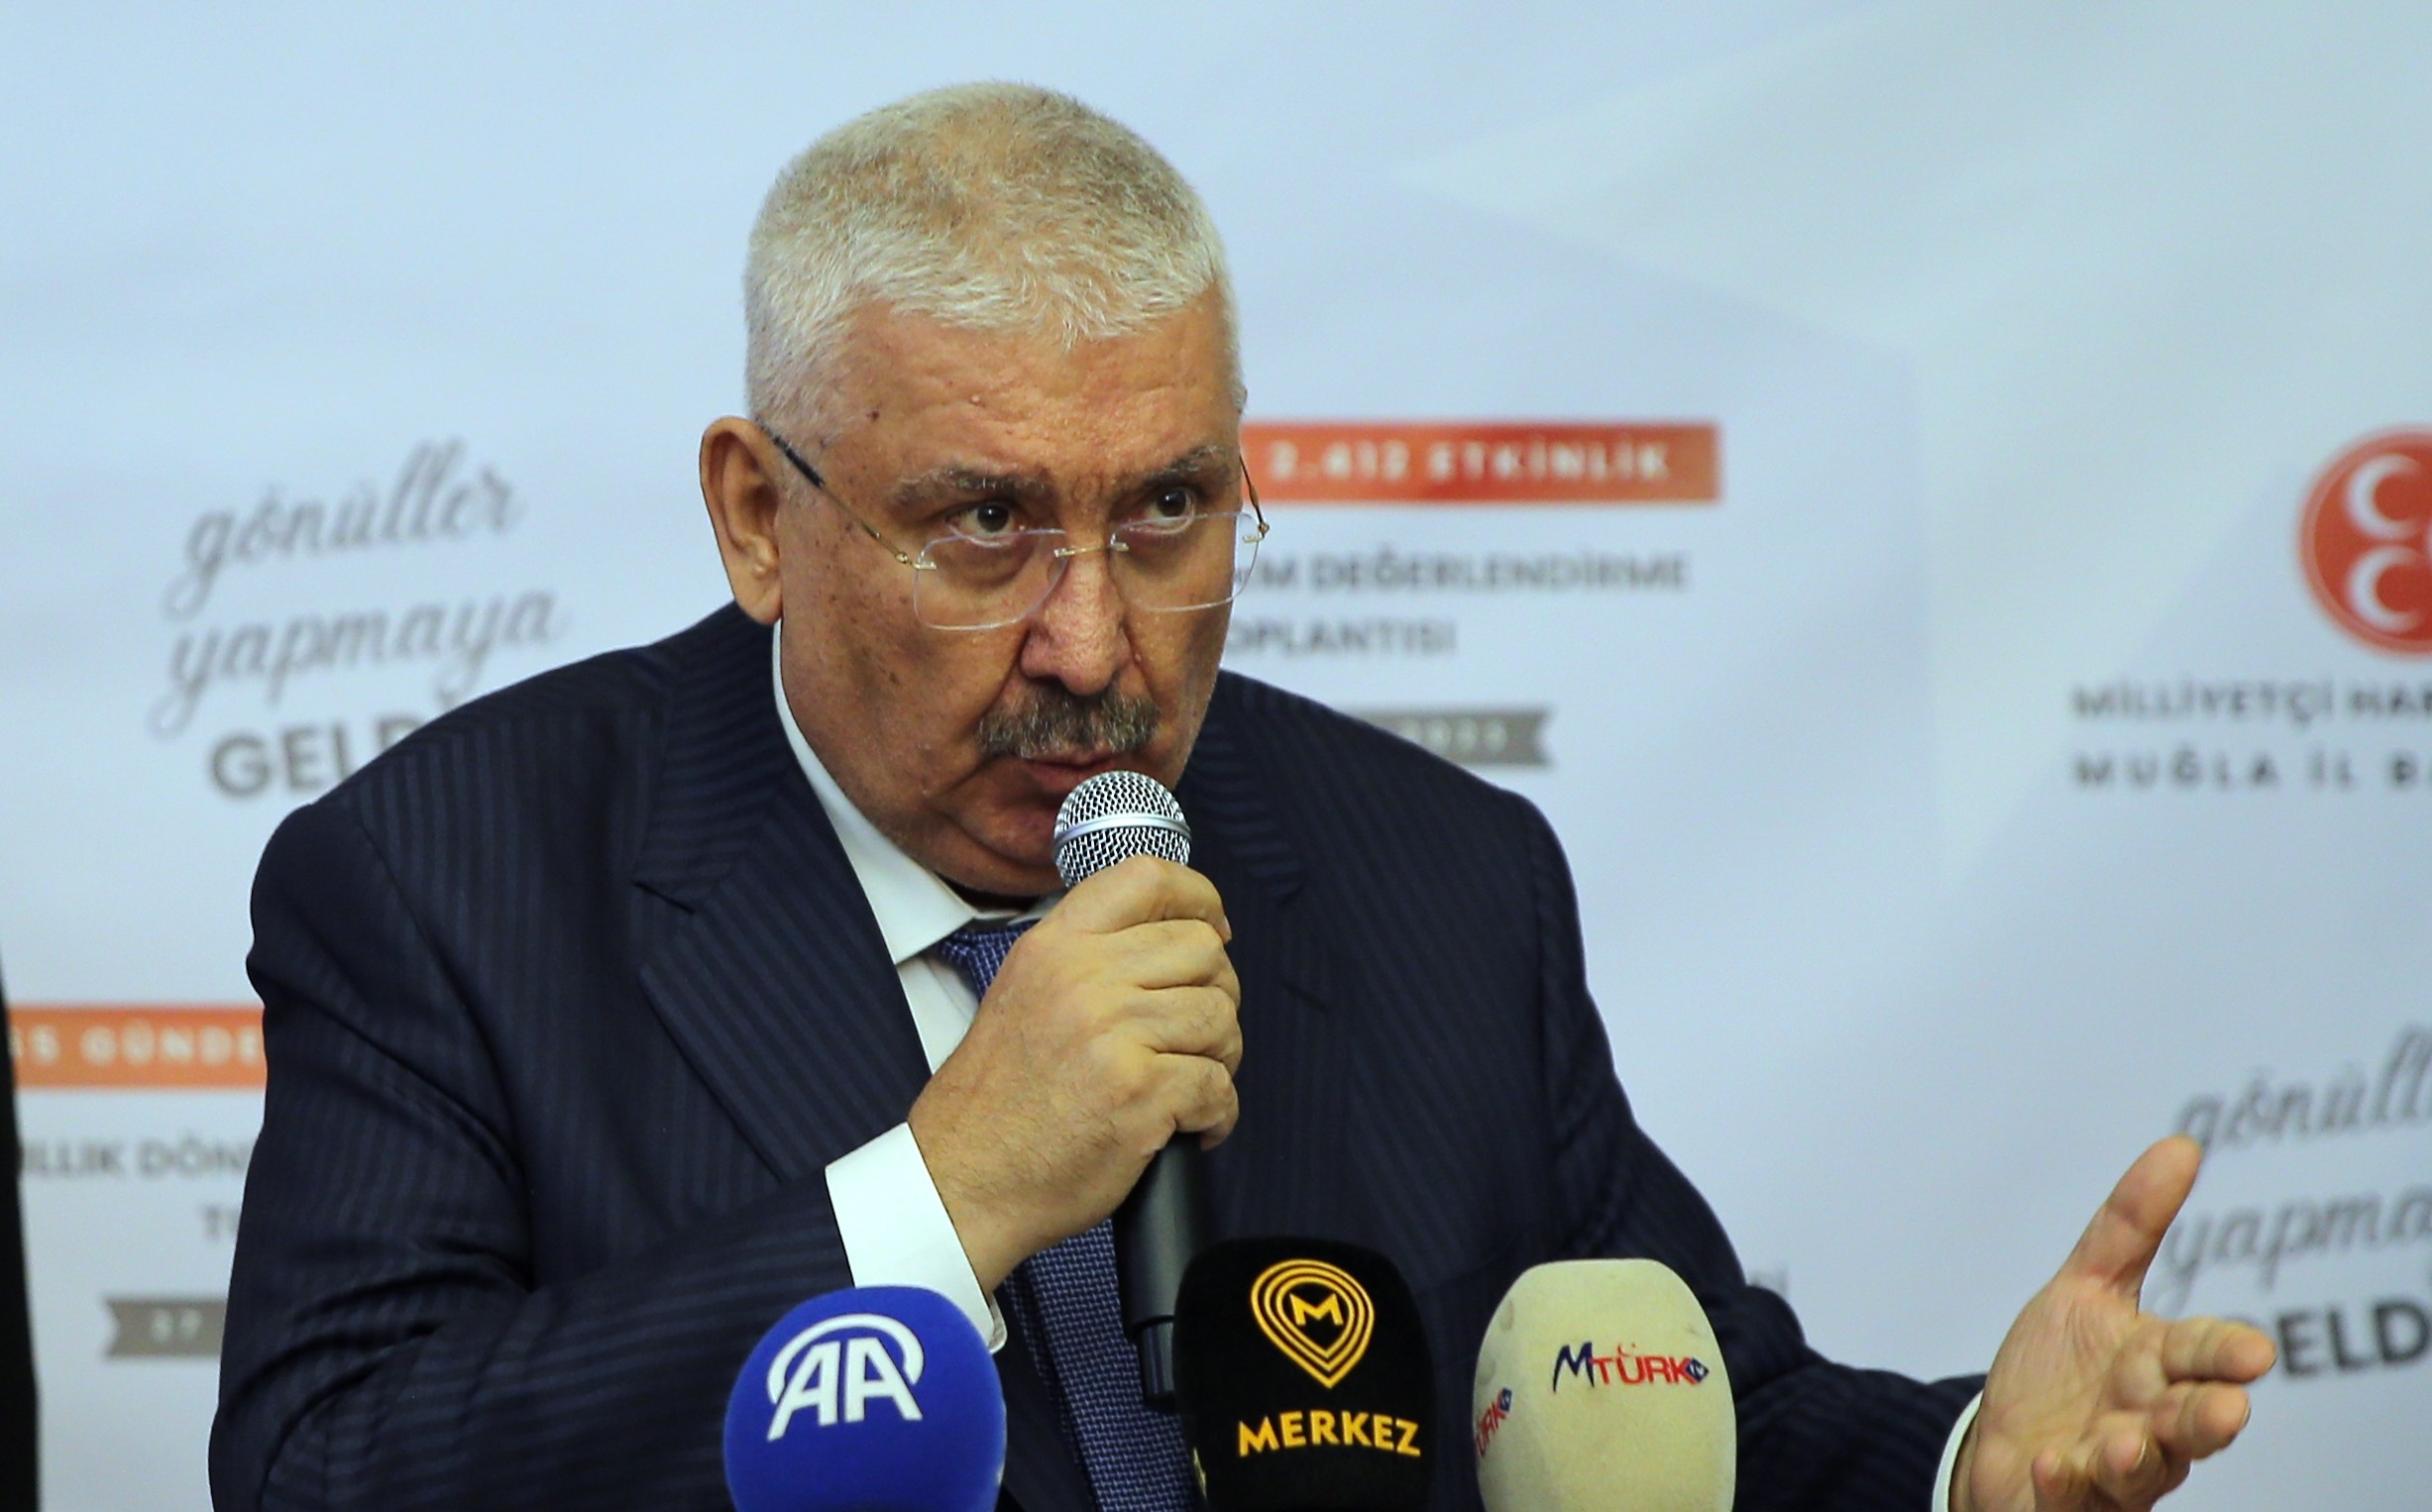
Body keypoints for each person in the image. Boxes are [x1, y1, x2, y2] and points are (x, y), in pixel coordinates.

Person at [211, 83, 2271, 1512]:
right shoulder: (443, 883)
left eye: (1170, 512)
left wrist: (1964, 1464)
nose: (1093, 643)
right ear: (761, 516)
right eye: (987, 526)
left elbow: (1644, 1394)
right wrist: (940, 1195)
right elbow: (323, 1468)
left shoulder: (1435, 871)